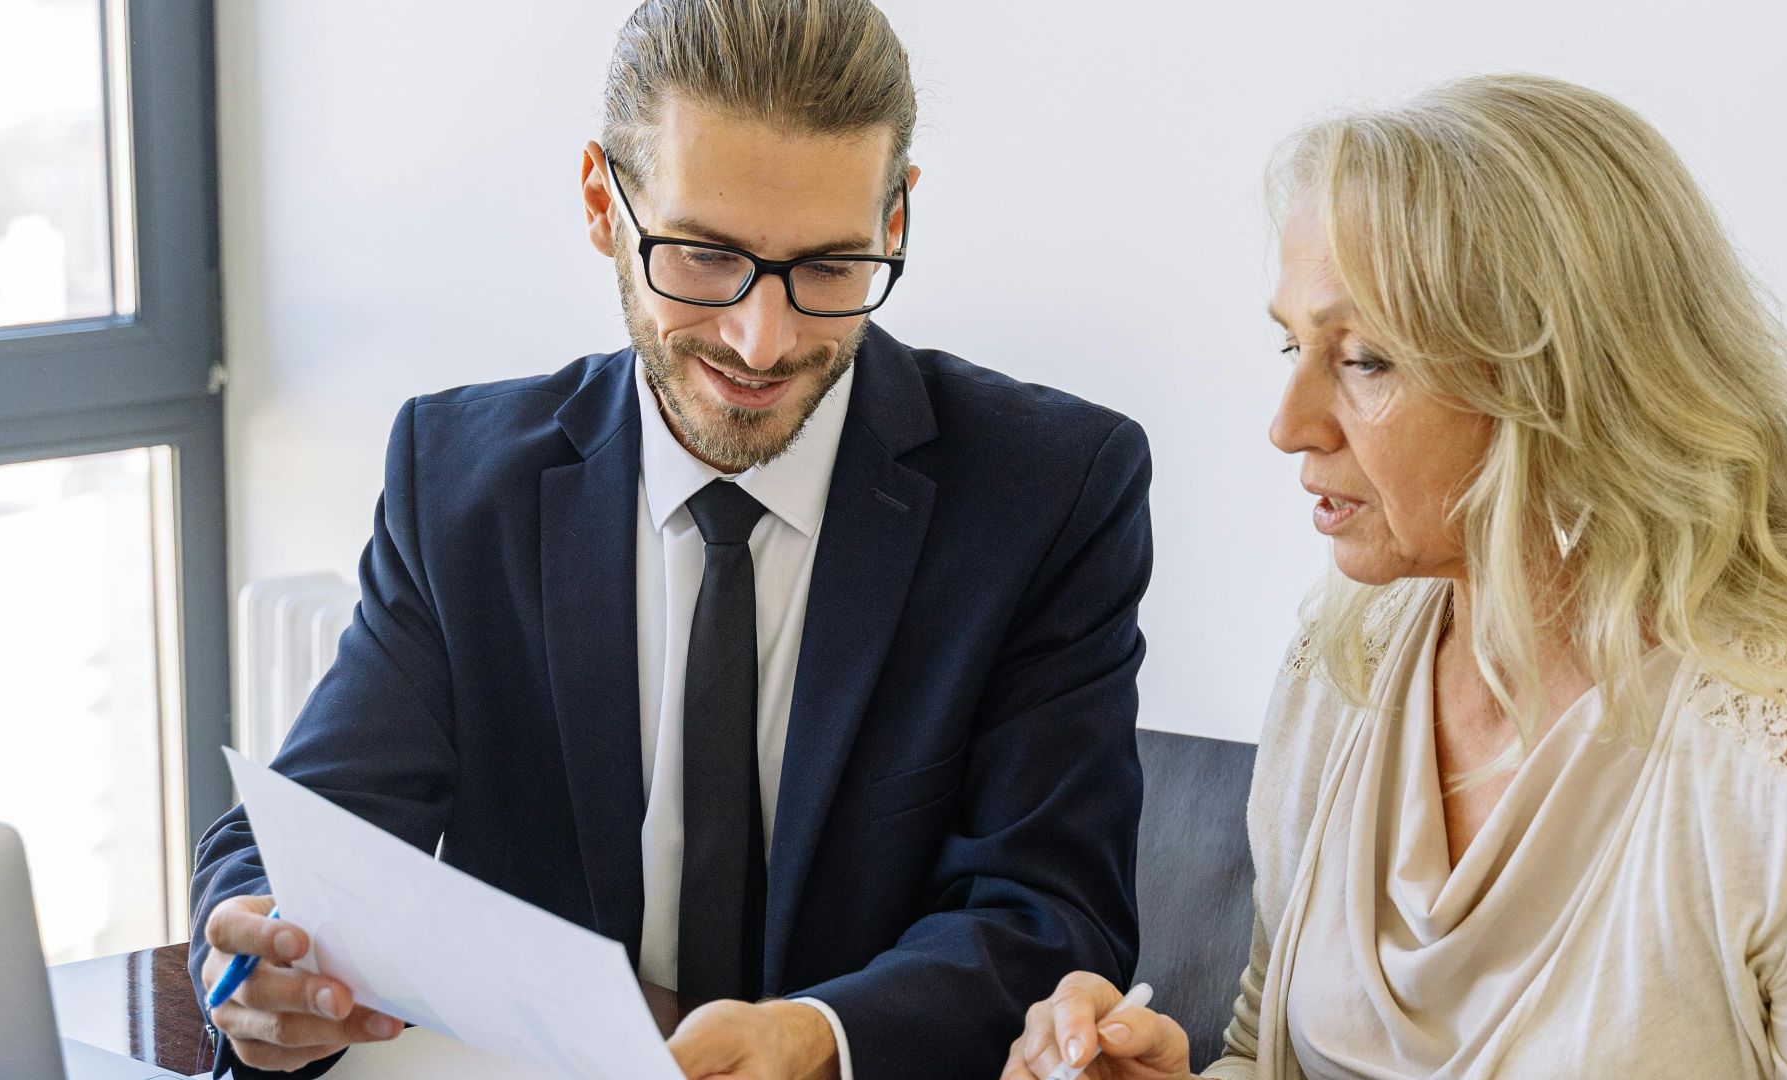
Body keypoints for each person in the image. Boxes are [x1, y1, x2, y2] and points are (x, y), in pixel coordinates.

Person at [190, 2, 1152, 1078]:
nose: (763, 340)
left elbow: (1057, 914)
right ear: (604, 202)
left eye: (831, 268)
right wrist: (257, 949)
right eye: (702, 256)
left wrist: (817, 1039)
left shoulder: (1050, 492)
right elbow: (305, 833)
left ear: (894, 222)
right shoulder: (460, 483)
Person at [1004, 73, 1787, 1080]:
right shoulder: (1342, 664)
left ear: (1559, 384)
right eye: (1292, 343)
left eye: (1363, 359)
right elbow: (1265, 1052)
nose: (1288, 424)